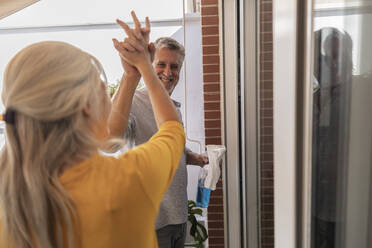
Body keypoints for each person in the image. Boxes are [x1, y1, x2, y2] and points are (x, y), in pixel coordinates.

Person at [0, 12, 184, 248]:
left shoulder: (9, 200)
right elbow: (172, 130)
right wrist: (144, 68)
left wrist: (133, 74)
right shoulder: (127, 181)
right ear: (86, 107)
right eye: (102, 90)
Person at [109, 36, 208, 247]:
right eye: (161, 64)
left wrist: (192, 157)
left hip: (177, 216)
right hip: (151, 222)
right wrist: (130, 75)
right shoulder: (133, 101)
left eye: (174, 66)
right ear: (149, 65)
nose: (168, 72)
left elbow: (167, 144)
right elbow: (112, 139)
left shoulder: (171, 107)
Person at [312, 27, 353, 248]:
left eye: (340, 55)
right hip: (315, 206)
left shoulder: (361, 96)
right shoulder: (310, 102)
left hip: (350, 210)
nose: (334, 64)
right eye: (325, 58)